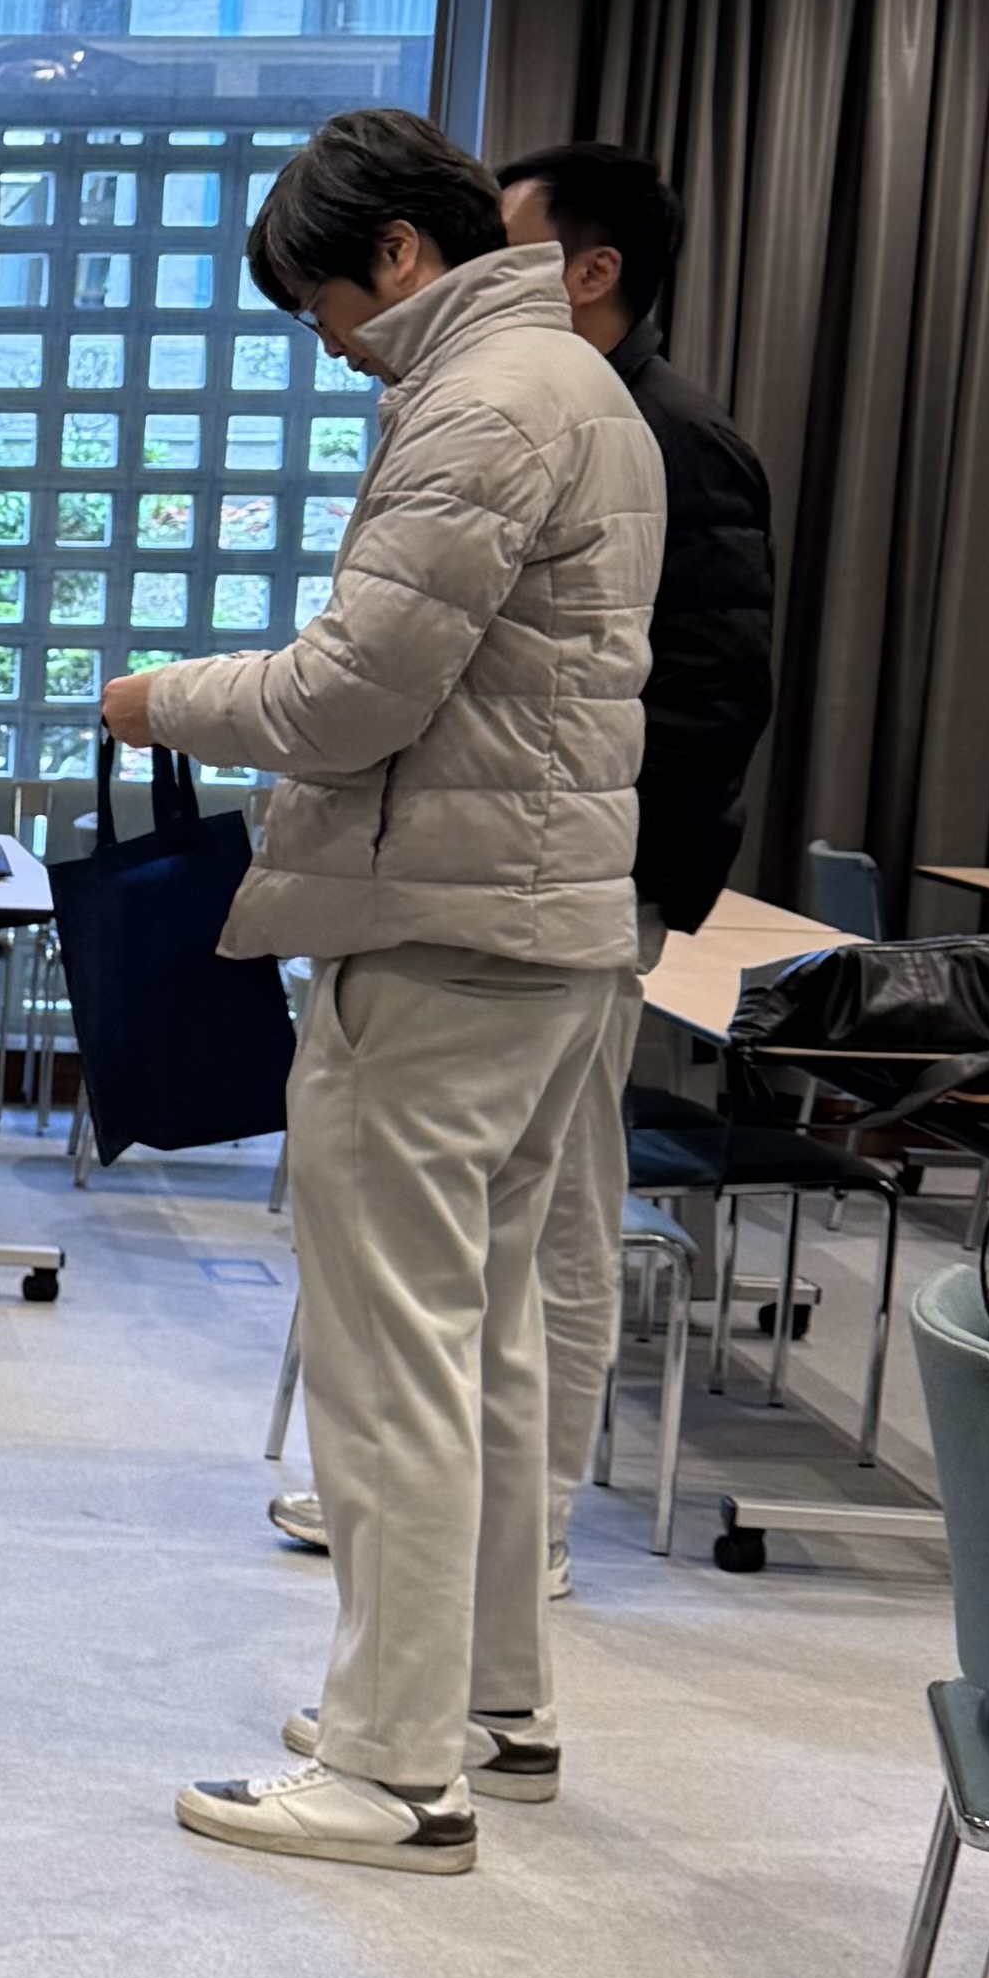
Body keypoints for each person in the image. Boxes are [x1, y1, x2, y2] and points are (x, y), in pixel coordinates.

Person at [107, 110, 660, 1878]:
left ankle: (394, 1766)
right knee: (482, 1338)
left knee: (392, 1357)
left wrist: (159, 699)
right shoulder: (576, 384)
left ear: (400, 255)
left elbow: (351, 695)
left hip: (443, 935)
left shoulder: (482, 400)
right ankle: (488, 1704)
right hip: (542, 931)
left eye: (321, 302)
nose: (326, 341)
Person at [262, 140, 773, 1587]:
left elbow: (702, 698)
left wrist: (606, 876)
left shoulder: (614, 419)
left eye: (514, 238)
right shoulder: (551, 399)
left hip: (551, 893)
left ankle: (518, 1535)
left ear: (588, 267)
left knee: (534, 1243)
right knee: (473, 1264)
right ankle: (470, 1557)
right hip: (531, 878)